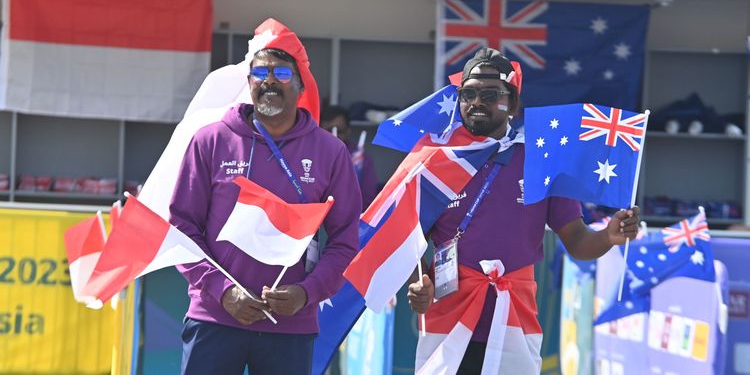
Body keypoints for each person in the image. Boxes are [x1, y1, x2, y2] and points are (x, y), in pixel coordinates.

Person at [406, 48, 640, 373]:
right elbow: (410, 238)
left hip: (514, 319)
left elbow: (577, 240)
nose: (476, 102)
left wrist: (609, 236)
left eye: (490, 94)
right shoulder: (437, 160)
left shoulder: (542, 160)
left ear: (512, 104)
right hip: (449, 316)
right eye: (468, 93)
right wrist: (420, 284)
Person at [169, 19, 361, 375]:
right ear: (249, 82)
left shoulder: (331, 152)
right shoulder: (210, 141)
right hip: (214, 317)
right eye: (260, 70)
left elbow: (345, 239)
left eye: (282, 72)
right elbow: (182, 227)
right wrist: (223, 291)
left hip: (290, 326)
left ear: (301, 85)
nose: (269, 80)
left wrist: (307, 293)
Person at [320, 105, 379, 210]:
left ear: (348, 131)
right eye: (329, 131)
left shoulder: (360, 159)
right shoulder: (310, 155)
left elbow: (368, 198)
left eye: (339, 131)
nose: (334, 136)